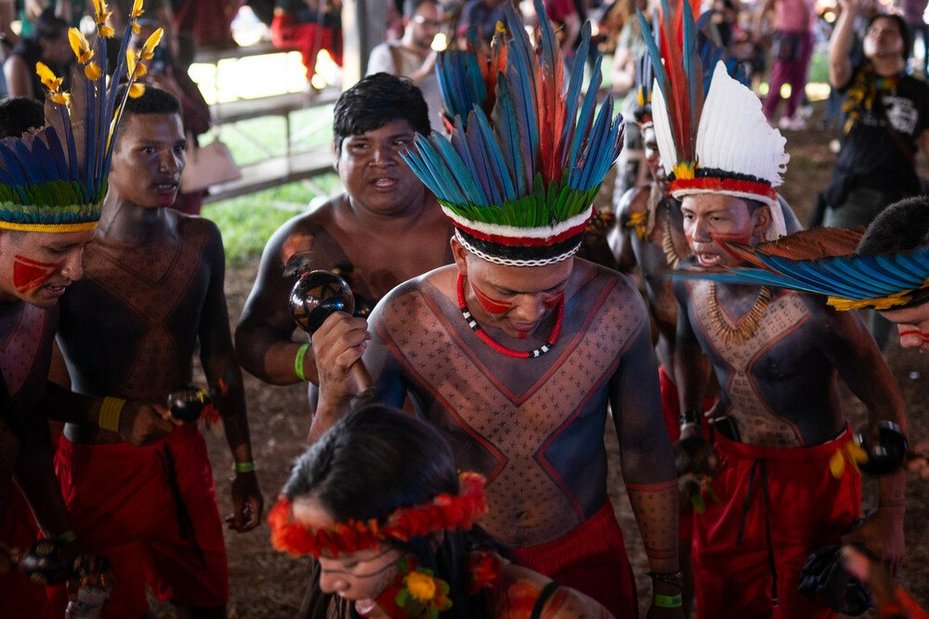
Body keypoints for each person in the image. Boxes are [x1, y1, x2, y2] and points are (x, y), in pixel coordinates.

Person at [311, 4, 683, 617]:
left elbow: (645, 447)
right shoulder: (405, 319)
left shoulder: (614, 307)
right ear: (459, 252)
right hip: (455, 567)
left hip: (588, 555)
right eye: (504, 293)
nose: (531, 312)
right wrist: (329, 396)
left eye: (552, 290)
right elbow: (342, 474)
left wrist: (667, 582)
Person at [642, 4, 908, 617]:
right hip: (728, 470)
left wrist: (889, 517)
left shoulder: (815, 304)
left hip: (812, 483)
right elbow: (684, 344)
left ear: (760, 217)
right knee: (720, 599)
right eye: (688, 216)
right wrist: (689, 418)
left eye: (716, 217)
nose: (698, 234)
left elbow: (887, 401)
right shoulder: (689, 281)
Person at [48, 85, 264, 618]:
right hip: (97, 462)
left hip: (181, 454)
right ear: (106, 158)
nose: (169, 164)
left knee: (206, 602)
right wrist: (114, 413)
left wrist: (244, 465)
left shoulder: (200, 240)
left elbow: (218, 354)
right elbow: (28, 390)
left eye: (178, 148)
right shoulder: (68, 256)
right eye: (148, 150)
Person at [0, 10, 176, 616]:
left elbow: (21, 425)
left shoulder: (34, 301)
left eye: (82, 249)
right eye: (55, 251)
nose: (75, 271)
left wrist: (63, 536)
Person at [270, 405, 617, 618]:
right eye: (319, 558)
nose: (328, 583)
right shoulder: (349, 602)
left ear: (431, 535)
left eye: (350, 562)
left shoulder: (549, 614)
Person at [235, 72, 453, 404]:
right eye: (361, 145)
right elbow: (253, 340)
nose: (381, 160)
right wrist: (311, 362)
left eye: (398, 143)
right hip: (351, 434)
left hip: (463, 431)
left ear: (427, 146)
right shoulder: (304, 243)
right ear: (336, 153)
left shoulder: (468, 227)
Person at [367, 0, 446, 134]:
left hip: (437, 144)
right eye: (426, 23)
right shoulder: (386, 53)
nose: (433, 30)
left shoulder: (437, 58)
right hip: (402, 145)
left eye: (437, 24)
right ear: (408, 20)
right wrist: (423, 72)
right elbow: (376, 97)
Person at [755, 0, 815, 130]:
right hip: (787, 34)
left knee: (799, 78)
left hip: (806, 35)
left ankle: (790, 115)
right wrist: (759, 28)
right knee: (780, 77)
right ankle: (766, 114)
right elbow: (766, 7)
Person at [271, 0, 343, 89]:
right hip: (286, 27)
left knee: (322, 30)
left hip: (297, 20)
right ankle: (310, 79)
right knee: (316, 33)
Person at [3, 8, 71, 100]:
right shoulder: (18, 63)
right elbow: (23, 111)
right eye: (65, 43)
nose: (69, 48)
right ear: (46, 42)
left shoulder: (61, 63)